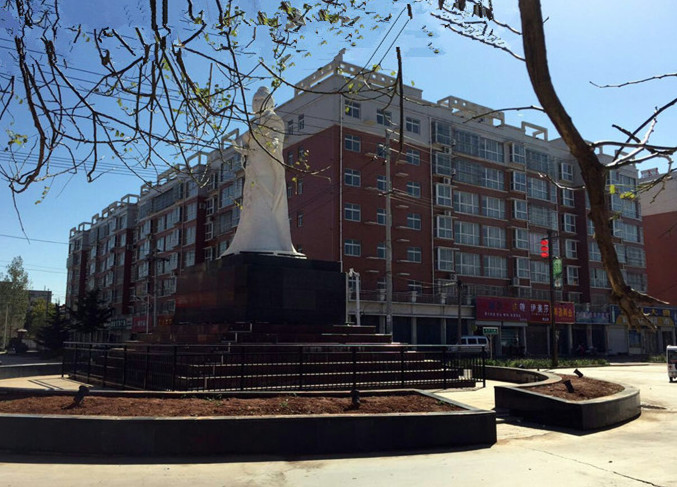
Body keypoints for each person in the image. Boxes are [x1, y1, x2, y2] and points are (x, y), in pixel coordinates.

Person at [223, 86, 304, 258]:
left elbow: (277, 136)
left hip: (267, 169)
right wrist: (241, 149)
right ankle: (252, 240)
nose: (256, 103)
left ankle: (268, 240)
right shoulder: (254, 123)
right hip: (253, 169)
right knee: (252, 204)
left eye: (260, 100)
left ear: (269, 102)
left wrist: (275, 143)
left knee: (266, 201)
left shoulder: (273, 119)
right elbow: (249, 145)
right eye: (254, 100)